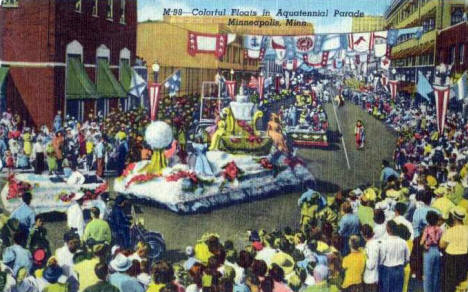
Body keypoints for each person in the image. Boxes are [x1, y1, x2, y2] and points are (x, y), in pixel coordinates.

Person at [439, 206, 468, 292]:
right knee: (461, 282)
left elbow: (442, 245)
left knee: (449, 284)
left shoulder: (450, 230)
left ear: (453, 217)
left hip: (451, 258)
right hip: (465, 257)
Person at [378, 220, 410, 292]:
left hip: (388, 269)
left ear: (387, 229)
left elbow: (382, 258)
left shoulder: (385, 242)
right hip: (400, 269)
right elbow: (407, 258)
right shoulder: (403, 242)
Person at [419, 211, 442, 292]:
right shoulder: (440, 229)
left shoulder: (427, 229)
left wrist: (424, 245)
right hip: (437, 250)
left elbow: (421, 242)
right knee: (436, 274)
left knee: (427, 274)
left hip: (428, 250)